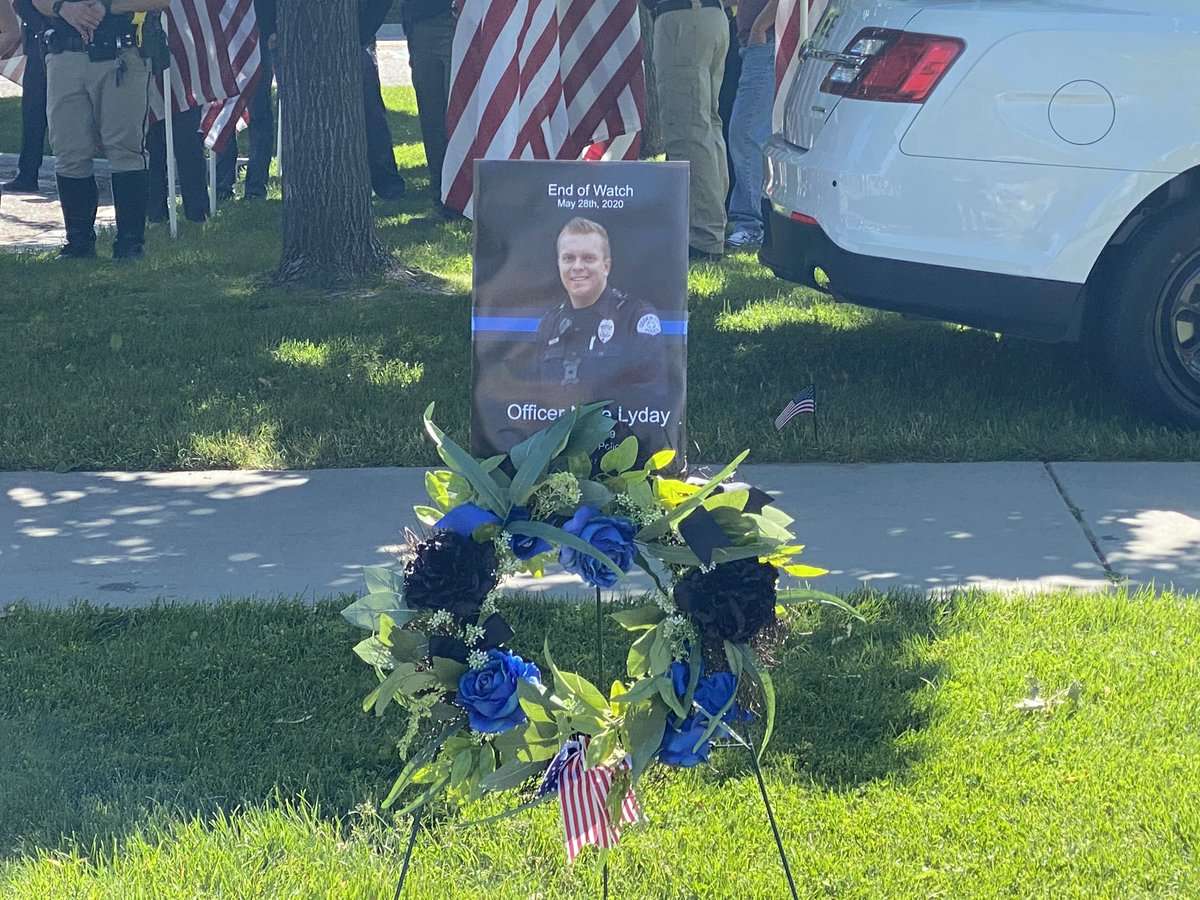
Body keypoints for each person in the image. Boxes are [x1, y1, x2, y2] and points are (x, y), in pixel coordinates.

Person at [33, 0, 169, 259]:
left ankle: (130, 245)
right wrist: (64, 7)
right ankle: (78, 244)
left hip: (123, 54)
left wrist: (106, 7)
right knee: (69, 150)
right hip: (65, 54)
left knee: (125, 149)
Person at [534, 218, 666, 390]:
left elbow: (654, 403)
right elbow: (537, 399)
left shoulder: (635, 318)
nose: (577, 266)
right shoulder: (549, 323)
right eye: (568, 258)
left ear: (606, 267)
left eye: (588, 258)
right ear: (558, 264)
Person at [648, 0, 729, 262]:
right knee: (707, 127)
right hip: (709, 16)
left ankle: (703, 237)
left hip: (683, 20)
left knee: (688, 131)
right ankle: (712, 225)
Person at [725, 0, 776, 249]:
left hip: (766, 42)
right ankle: (766, 220)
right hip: (755, 44)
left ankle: (749, 224)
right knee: (760, 135)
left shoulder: (762, 32)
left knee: (744, 133)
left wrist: (760, 26)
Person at [215, 0, 274, 201]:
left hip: (260, 37)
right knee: (223, 114)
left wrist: (273, 28)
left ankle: (256, 189)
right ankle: (222, 187)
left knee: (259, 116)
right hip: (221, 38)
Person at [400, 0, 454, 212]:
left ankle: (464, 191)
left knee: (460, 116)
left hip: (458, 20)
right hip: (422, 23)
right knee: (433, 118)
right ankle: (441, 191)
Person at [360, 0, 405, 200]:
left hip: (359, 41)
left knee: (372, 116)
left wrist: (361, 31)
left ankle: (387, 183)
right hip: (309, 43)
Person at [3, 0, 48, 194]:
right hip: (39, 48)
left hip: (62, 48)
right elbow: (21, 5)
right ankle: (28, 174)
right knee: (33, 114)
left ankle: (28, 175)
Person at [147, 105, 209, 223]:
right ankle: (155, 216)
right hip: (152, 95)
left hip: (185, 95)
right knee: (153, 155)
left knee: (189, 153)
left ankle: (197, 215)